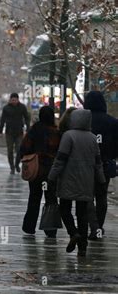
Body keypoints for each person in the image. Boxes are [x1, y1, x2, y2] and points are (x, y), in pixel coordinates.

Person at [48, 109, 106, 257]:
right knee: (82, 215)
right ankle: (82, 248)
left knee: (65, 209)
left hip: (68, 179)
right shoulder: (93, 138)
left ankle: (73, 233)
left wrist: (52, 176)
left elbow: (60, 159)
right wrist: (101, 179)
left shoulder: (68, 136)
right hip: (86, 181)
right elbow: (98, 162)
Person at [19, 106, 61, 237]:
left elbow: (24, 148)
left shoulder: (34, 130)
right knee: (51, 199)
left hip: (36, 170)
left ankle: (29, 227)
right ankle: (50, 229)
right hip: (51, 171)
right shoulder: (56, 132)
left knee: (34, 198)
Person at [83, 91, 118, 238]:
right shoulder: (112, 122)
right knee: (102, 195)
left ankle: (93, 226)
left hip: (85, 164)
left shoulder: (84, 120)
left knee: (87, 196)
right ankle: (99, 227)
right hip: (105, 163)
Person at [0, 93, 30, 174]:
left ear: (18, 99)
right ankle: (12, 167)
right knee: (10, 151)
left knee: (19, 149)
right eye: (12, 100)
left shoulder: (22, 107)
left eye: (15, 100)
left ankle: (17, 164)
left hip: (19, 132)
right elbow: (2, 120)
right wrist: (0, 131)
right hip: (9, 132)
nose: (13, 101)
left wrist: (28, 128)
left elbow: (26, 118)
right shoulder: (6, 108)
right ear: (10, 100)